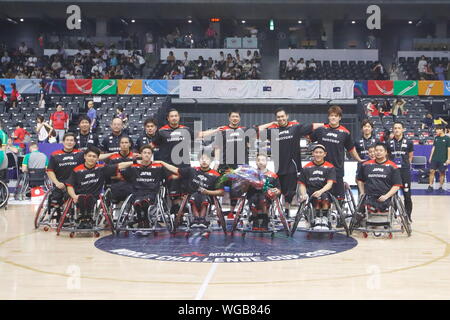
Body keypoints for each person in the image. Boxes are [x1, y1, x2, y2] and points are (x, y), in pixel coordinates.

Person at [258, 108, 323, 216]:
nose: (281, 119)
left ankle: (287, 211)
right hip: (279, 166)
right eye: (278, 117)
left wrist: (326, 124)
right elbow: (260, 129)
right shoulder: (273, 131)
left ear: (287, 116)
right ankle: (276, 212)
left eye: (282, 116)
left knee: (289, 193)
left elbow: (312, 126)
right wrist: (272, 123)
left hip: (293, 166)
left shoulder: (295, 127)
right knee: (278, 191)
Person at [66, 146, 134, 229]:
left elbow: (119, 165)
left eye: (94, 157)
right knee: (82, 198)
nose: (91, 158)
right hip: (79, 196)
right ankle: (82, 219)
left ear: (98, 158)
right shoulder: (76, 170)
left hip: (94, 196)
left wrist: (134, 162)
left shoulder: (101, 168)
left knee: (90, 198)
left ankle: (88, 219)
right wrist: (74, 196)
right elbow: (69, 186)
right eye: (89, 156)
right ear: (85, 156)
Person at [198, 110, 250, 214]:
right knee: (216, 185)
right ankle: (215, 210)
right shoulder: (222, 131)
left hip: (240, 166)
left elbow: (247, 145)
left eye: (237, 116)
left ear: (239, 118)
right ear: (229, 118)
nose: (235, 118)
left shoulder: (244, 130)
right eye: (233, 116)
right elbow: (217, 147)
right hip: (224, 165)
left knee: (236, 189)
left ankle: (232, 212)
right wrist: (216, 162)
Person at [310, 106, 363, 205]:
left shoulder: (345, 133)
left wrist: (359, 160)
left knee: (339, 198)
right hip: (322, 168)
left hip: (337, 168)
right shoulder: (321, 130)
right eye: (331, 116)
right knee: (322, 196)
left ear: (340, 118)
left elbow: (351, 149)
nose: (333, 118)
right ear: (328, 117)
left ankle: (339, 215)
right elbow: (309, 137)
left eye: (335, 116)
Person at [157, 153, 224, 228]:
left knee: (203, 197)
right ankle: (196, 219)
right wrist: (162, 163)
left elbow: (221, 192)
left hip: (207, 197)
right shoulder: (192, 170)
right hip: (192, 196)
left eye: (207, 159)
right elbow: (175, 170)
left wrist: (207, 192)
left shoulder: (216, 175)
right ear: (199, 160)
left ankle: (201, 219)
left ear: (211, 161)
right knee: (194, 196)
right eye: (202, 159)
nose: (204, 161)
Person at [150, 108, 192, 214]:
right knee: (174, 180)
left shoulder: (186, 129)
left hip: (184, 164)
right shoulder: (161, 131)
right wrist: (141, 153)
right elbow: (152, 145)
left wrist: (216, 131)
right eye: (172, 116)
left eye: (176, 116)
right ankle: (175, 207)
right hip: (168, 165)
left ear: (179, 117)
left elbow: (199, 135)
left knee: (188, 184)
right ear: (168, 118)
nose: (174, 118)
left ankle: (182, 207)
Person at [119, 145, 166, 235]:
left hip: (151, 193)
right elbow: (120, 170)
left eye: (149, 153)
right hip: (137, 193)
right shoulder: (133, 167)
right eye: (144, 153)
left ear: (152, 155)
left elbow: (167, 178)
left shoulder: (158, 167)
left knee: (144, 202)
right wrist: (132, 161)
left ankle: (146, 223)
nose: (147, 155)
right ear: (141, 154)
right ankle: (141, 222)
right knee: (137, 202)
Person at [357, 142, 402, 216]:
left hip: (386, 198)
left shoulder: (393, 166)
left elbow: (397, 185)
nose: (378, 152)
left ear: (385, 152)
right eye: (376, 150)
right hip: (370, 197)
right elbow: (360, 180)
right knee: (359, 215)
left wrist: (386, 196)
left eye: (381, 150)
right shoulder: (365, 165)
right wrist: (362, 192)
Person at [298, 144, 336, 230]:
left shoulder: (330, 167)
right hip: (311, 192)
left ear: (324, 154)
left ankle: (324, 218)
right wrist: (304, 194)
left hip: (325, 191)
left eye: (320, 152)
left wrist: (321, 191)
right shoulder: (306, 168)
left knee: (323, 197)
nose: (318, 154)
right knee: (316, 198)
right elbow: (302, 184)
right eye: (316, 152)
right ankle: (317, 219)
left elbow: (330, 184)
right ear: (313, 153)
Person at [46, 133, 85, 217]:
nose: (69, 142)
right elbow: (50, 170)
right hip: (61, 183)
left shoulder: (80, 154)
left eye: (71, 140)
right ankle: (61, 212)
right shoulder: (55, 154)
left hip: (76, 183)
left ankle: (75, 213)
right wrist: (56, 183)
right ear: (63, 142)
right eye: (67, 140)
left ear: (74, 143)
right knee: (56, 196)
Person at [386, 122, 414, 221]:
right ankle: (393, 214)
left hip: (404, 171)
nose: (397, 130)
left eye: (399, 128)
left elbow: (410, 156)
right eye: (395, 128)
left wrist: (406, 166)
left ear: (403, 129)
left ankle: (407, 216)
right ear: (393, 130)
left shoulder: (409, 142)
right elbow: (387, 156)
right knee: (393, 194)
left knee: (407, 194)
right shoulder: (388, 142)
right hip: (393, 172)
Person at [106, 136, 135, 203]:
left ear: (129, 144)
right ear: (119, 144)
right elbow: (109, 174)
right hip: (116, 183)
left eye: (126, 142)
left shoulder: (134, 157)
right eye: (122, 143)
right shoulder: (112, 158)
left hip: (130, 184)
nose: (124, 144)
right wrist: (116, 176)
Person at [428, 126, 450, 192]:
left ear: (441, 130)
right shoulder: (436, 138)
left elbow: (449, 149)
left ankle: (440, 187)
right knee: (431, 171)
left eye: (437, 130)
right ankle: (430, 186)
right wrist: (430, 157)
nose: (436, 131)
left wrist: (448, 159)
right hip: (435, 158)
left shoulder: (447, 138)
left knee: (442, 173)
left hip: (443, 159)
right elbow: (433, 148)